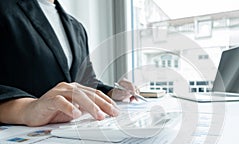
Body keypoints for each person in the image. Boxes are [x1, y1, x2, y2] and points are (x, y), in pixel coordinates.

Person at [0, 0, 137, 126]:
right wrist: (25, 109)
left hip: (66, 132)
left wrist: (111, 92)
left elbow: (85, 80)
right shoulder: (5, 9)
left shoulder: (76, 27)